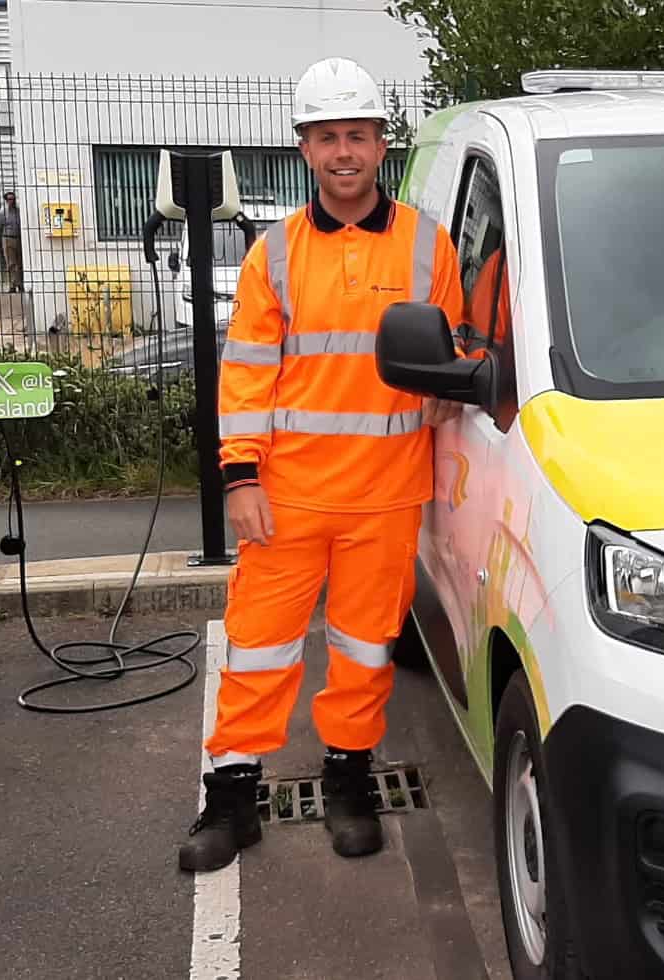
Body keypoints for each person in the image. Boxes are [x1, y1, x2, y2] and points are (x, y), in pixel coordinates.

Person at [179, 56, 464, 873]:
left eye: (359, 136)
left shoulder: (428, 247)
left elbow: (456, 343)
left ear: (382, 145)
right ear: (304, 149)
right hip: (286, 498)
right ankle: (233, 799)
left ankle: (349, 783)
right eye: (327, 137)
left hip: (386, 497)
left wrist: (451, 382)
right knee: (258, 647)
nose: (344, 152)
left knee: (364, 651)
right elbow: (246, 377)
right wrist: (239, 478)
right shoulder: (274, 255)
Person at [0, 192, 22, 292]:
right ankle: (13, 285)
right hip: (8, 238)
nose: (12, 201)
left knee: (19, 262)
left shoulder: (18, 212)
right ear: (6, 201)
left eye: (13, 199)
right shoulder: (3, 213)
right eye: (9, 199)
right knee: (11, 263)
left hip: (18, 238)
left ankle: (20, 283)